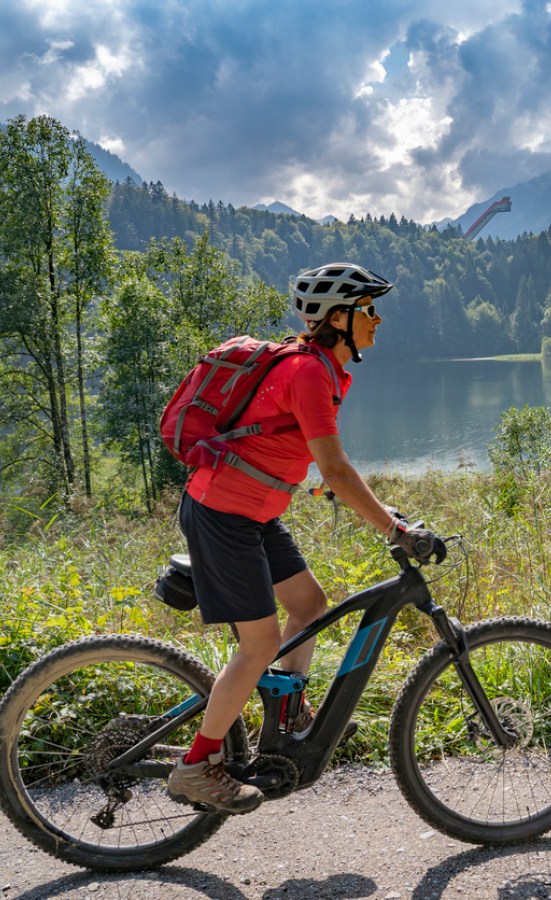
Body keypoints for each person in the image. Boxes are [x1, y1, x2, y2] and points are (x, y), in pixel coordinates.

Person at [167, 262, 436, 814]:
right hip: (223, 513)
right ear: (338, 318)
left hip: (254, 514)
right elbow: (335, 469)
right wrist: (393, 526)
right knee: (260, 644)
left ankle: (287, 713)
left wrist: (378, 510)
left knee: (310, 606)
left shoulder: (321, 368)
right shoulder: (310, 371)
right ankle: (197, 765)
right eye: (368, 309)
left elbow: (298, 454)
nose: (378, 320)